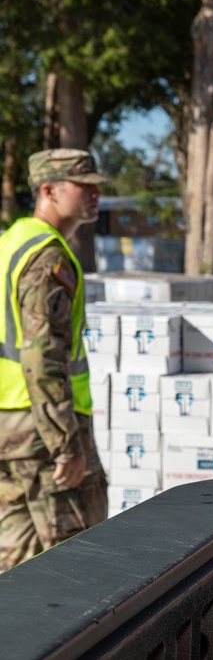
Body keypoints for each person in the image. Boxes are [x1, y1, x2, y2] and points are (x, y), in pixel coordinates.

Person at [0, 148, 110, 572]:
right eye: (84, 186)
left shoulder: (11, 243)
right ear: (49, 190)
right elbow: (42, 355)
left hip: (11, 433)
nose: (94, 195)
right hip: (43, 435)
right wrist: (66, 446)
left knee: (18, 567)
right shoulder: (47, 255)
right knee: (75, 565)